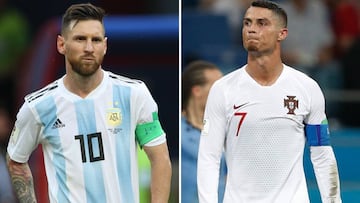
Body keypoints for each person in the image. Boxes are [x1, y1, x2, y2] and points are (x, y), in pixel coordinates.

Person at [6, 3, 172, 203]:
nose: (89, 48)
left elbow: (160, 158)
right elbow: (16, 160)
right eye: (80, 39)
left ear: (105, 45)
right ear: (61, 44)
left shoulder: (134, 94)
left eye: (96, 40)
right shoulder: (38, 107)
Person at [197, 1, 342, 202]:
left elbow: (322, 154)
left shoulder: (307, 89)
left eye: (262, 23)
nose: (251, 29)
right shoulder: (223, 90)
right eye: (247, 23)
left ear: (282, 34)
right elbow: (209, 157)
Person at [181, 60, 226, 203]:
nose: (225, 92)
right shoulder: (177, 133)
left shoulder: (228, 131)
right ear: (197, 91)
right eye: (218, 86)